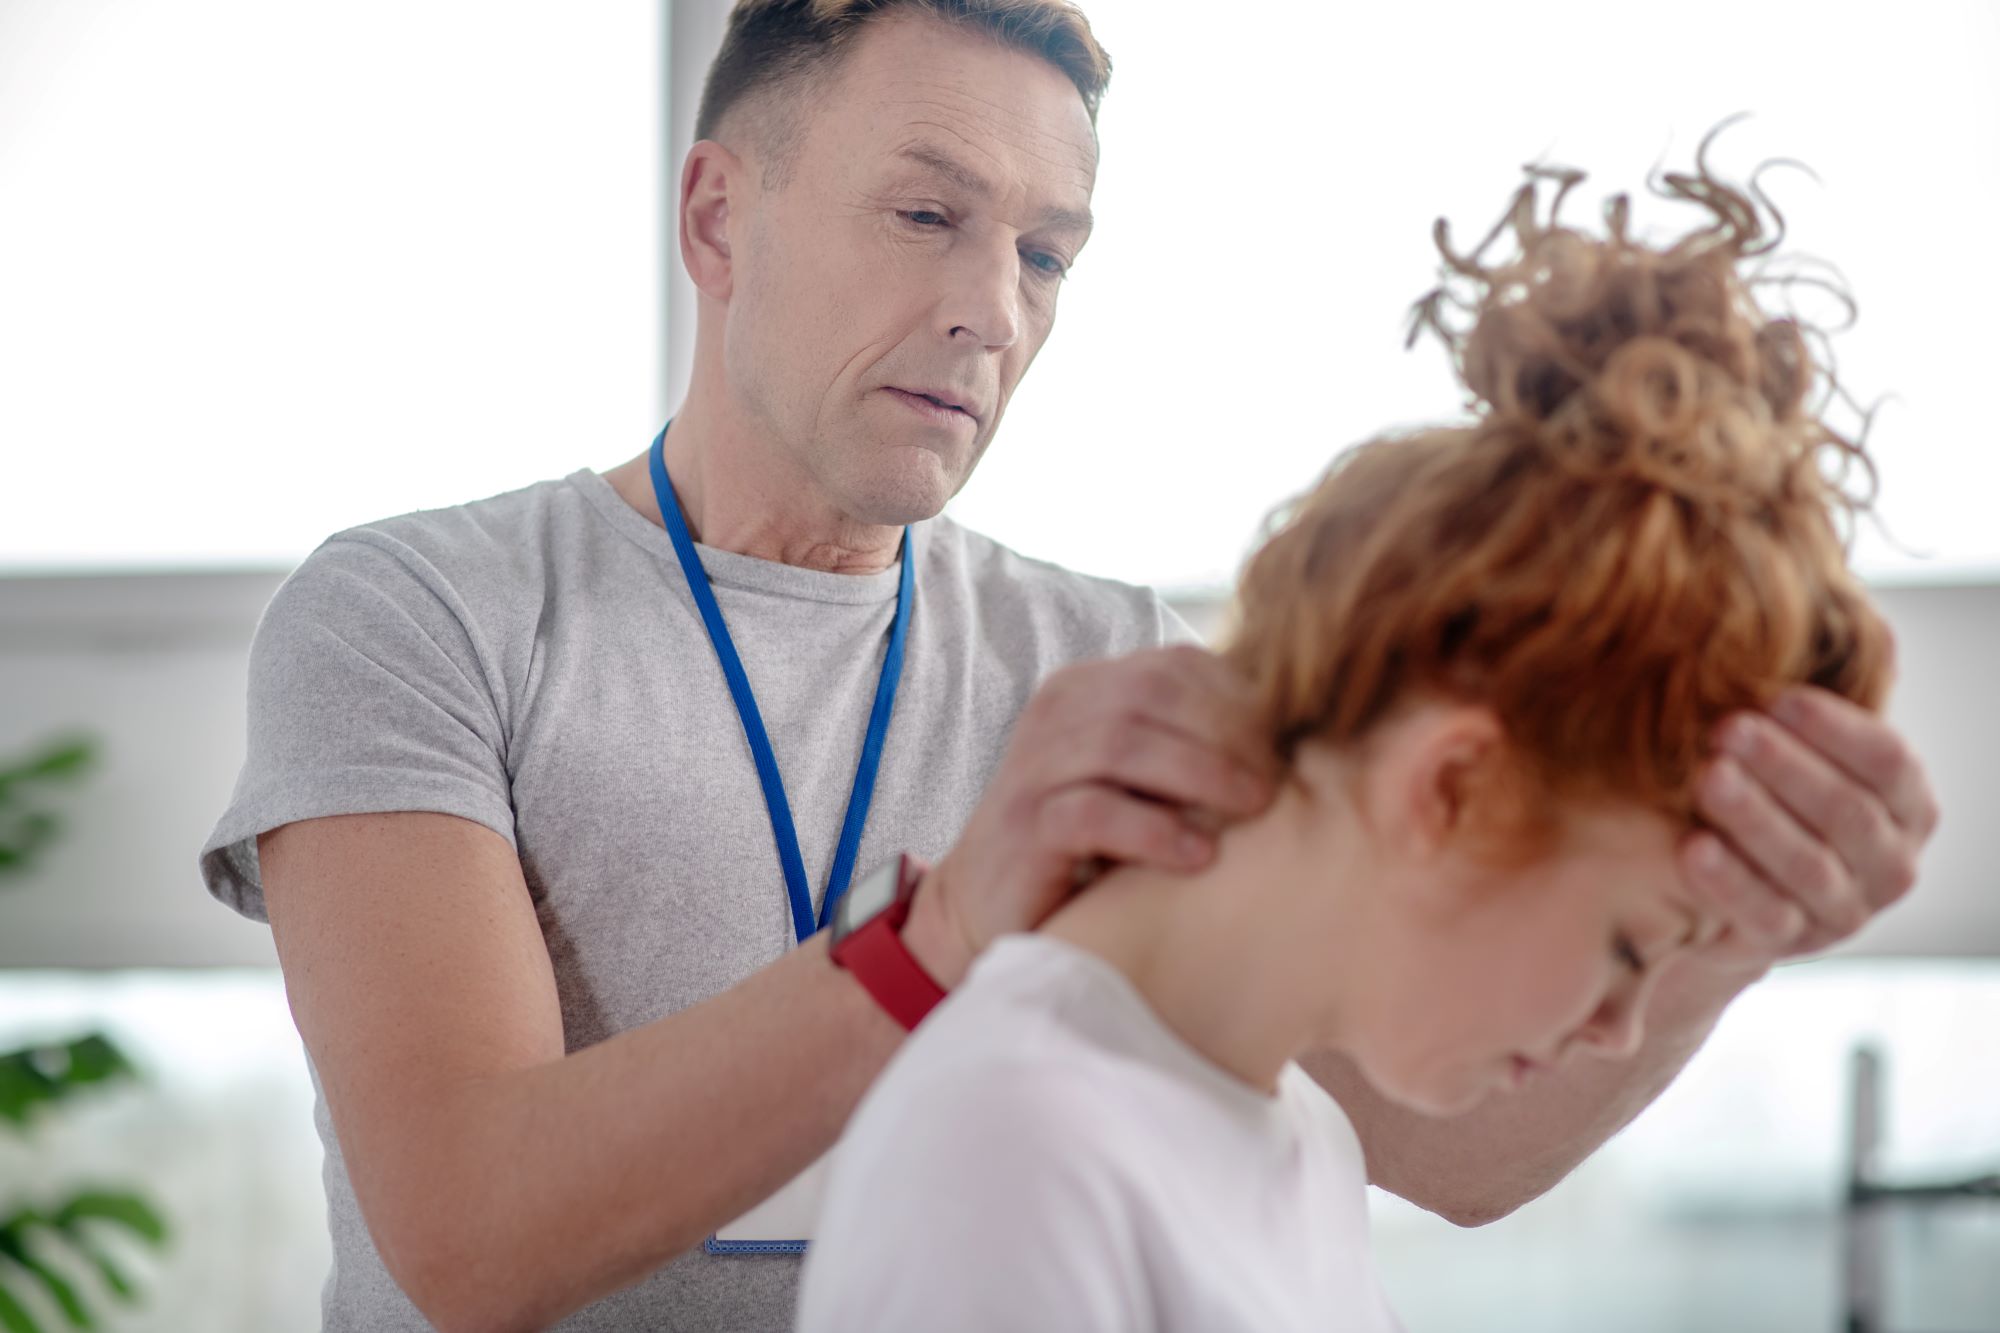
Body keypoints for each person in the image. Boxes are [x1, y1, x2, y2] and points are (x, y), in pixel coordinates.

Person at [193, 2, 1937, 1328]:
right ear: (722, 221)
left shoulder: (1108, 659)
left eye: (1046, 252)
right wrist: (938, 940)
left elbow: (1430, 1124)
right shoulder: (419, 611)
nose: (995, 310)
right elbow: (464, 1232)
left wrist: (1728, 924)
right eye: (927, 215)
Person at [796, 143, 1895, 1331]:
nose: (1618, 1030)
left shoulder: (1286, 1133)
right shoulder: (1016, 1149)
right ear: (1453, 786)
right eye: (1631, 946)